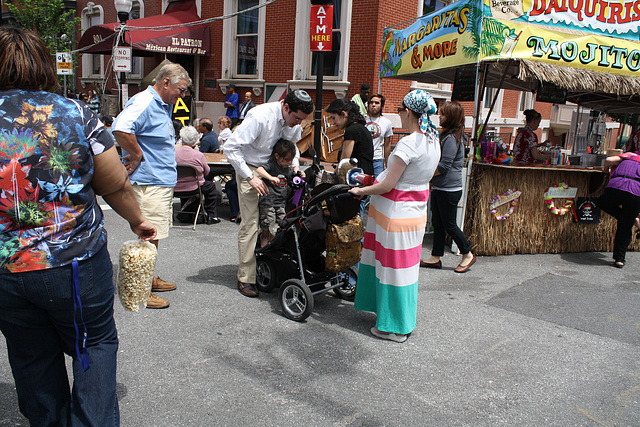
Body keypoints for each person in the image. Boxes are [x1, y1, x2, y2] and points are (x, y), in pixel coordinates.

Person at [0, 26, 156, 426]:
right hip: (74, 263)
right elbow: (115, 183)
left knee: (31, 355)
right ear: (44, 64)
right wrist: (138, 221)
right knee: (95, 345)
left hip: (7, 269)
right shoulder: (73, 112)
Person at [348, 90, 440, 343]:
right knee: (405, 272)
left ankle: (393, 326)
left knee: (389, 270)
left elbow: (388, 184)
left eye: (400, 109)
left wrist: (361, 189)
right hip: (415, 214)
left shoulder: (408, 143)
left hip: (393, 214)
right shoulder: (433, 140)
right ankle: (398, 320)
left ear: (407, 111)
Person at [113, 61, 191, 309]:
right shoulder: (145, 101)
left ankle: (148, 278)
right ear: (165, 81)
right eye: (181, 89)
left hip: (159, 182)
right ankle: (141, 290)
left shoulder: (162, 103)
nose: (183, 95)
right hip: (149, 182)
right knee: (149, 235)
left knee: (154, 235)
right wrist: (136, 155)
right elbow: (121, 128)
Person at [224, 90, 314, 297]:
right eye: (296, 118)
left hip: (277, 169)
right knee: (251, 223)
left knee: (280, 219)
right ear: (286, 107)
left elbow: (292, 147)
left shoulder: (293, 121)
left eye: (302, 120)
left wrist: (295, 167)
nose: (298, 123)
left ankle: (271, 264)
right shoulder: (259, 116)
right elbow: (230, 148)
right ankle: (246, 277)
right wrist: (250, 176)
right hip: (251, 167)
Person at [420, 101, 476, 273]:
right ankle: (435, 257)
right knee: (438, 223)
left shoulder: (452, 138)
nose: (440, 116)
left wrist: (425, 175)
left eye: (443, 113)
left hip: (449, 189)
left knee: (449, 224)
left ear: (450, 116)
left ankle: (467, 253)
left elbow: (444, 165)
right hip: (441, 187)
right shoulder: (449, 135)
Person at [327, 98, 374, 216]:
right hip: (364, 176)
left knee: (352, 215)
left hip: (356, 179)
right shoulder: (361, 128)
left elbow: (345, 161)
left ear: (343, 114)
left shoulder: (352, 130)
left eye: (333, 117)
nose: (333, 122)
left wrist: (335, 172)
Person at [597, 151, 640, 268]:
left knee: (601, 202)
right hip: (636, 192)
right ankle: (619, 259)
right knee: (625, 226)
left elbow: (609, 160)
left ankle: (631, 219)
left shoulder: (630, 156)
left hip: (617, 186)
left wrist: (605, 171)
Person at [255, 139, 299, 247]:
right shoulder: (272, 166)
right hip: (268, 200)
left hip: (281, 202)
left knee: (280, 223)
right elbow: (259, 169)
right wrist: (270, 177)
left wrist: (299, 175)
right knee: (268, 222)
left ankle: (273, 242)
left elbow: (294, 179)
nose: (288, 163)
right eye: (286, 160)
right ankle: (264, 237)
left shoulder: (288, 170)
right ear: (277, 156)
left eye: (291, 160)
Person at [175, 126, 221, 224]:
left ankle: (186, 211)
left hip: (175, 186)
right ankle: (212, 216)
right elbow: (207, 172)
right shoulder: (198, 155)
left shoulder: (172, 152)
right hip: (194, 187)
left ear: (182, 138)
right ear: (195, 140)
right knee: (211, 187)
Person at [365, 93, 394, 178]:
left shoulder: (386, 122)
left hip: (378, 160)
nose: (373, 105)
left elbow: (387, 144)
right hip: (364, 158)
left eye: (377, 103)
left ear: (381, 106)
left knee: (377, 185)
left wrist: (387, 163)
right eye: (371, 102)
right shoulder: (362, 120)